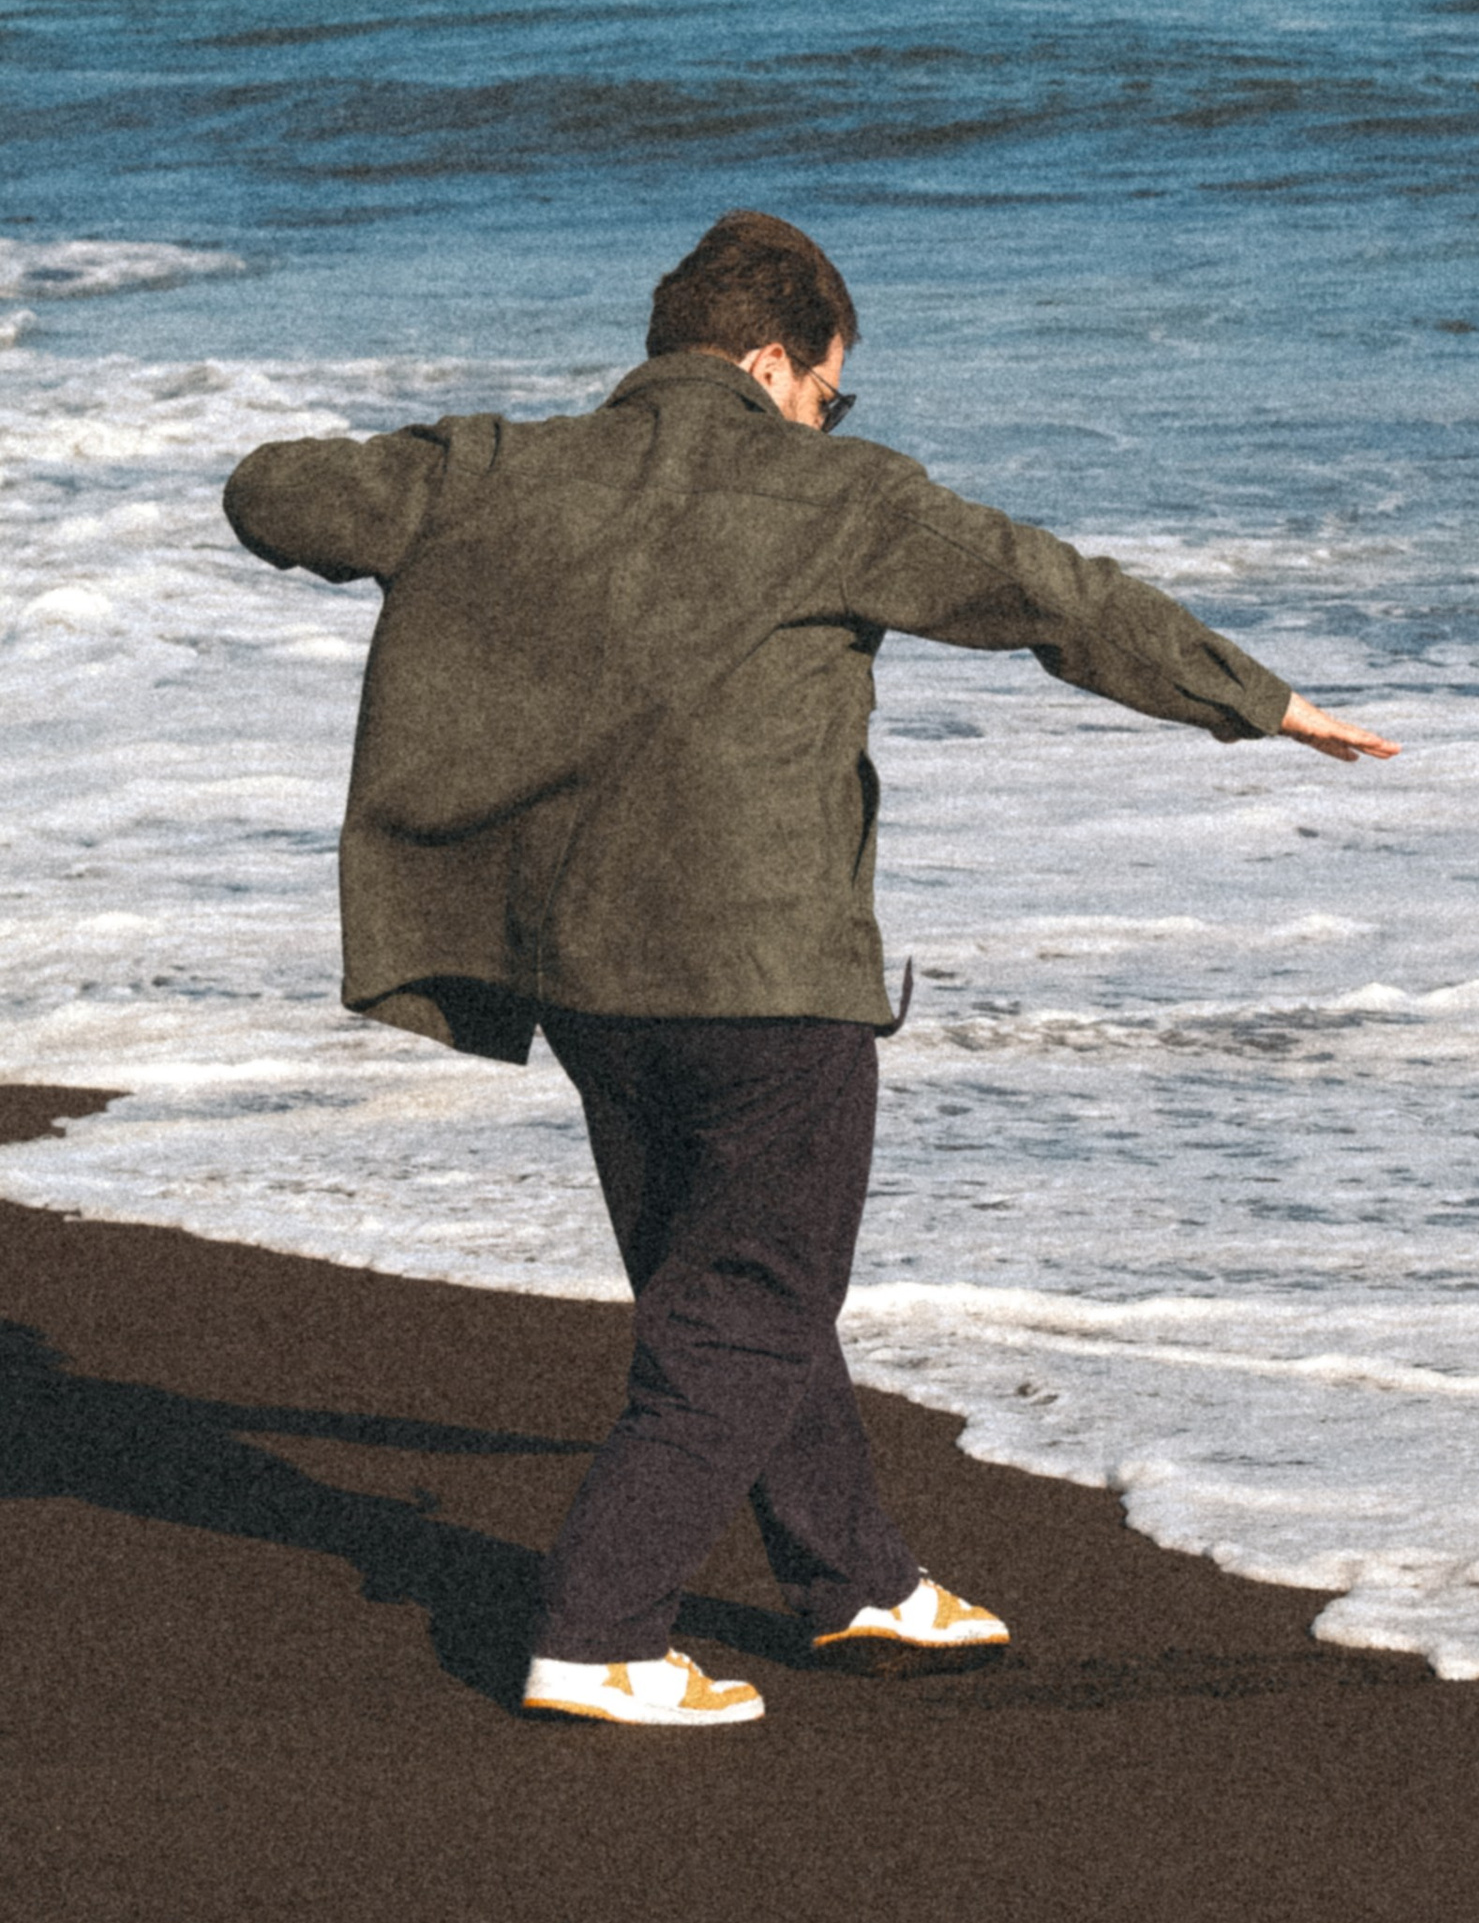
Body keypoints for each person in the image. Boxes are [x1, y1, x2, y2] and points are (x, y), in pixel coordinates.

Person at [223, 210, 1396, 1732]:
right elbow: (1055, 594)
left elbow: (272, 490)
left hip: (577, 972)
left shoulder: (501, 470)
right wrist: (1263, 701)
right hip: (764, 975)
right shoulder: (833, 494)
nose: (835, 420)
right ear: (775, 364)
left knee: (724, 1283)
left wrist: (465, 497)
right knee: (754, 1303)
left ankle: (854, 1580)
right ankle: (596, 1631)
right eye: (833, 393)